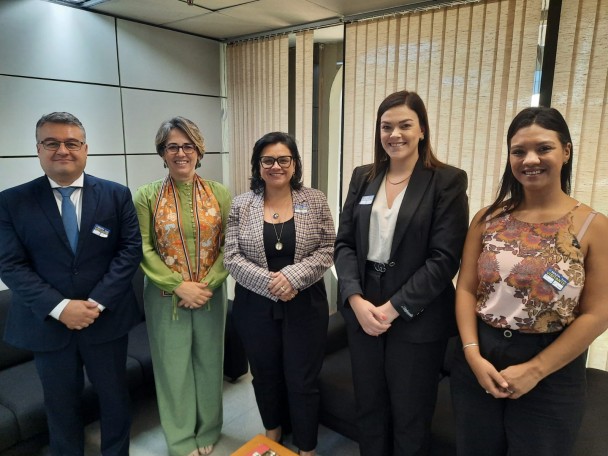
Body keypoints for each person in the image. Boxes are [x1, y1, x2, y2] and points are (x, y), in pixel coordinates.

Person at [450, 106, 608, 456]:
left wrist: (536, 370)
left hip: (552, 367)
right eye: (519, 151)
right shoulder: (488, 218)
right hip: (481, 355)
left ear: (566, 151)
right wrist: (473, 355)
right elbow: (465, 288)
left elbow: (598, 313)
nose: (530, 159)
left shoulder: (593, 226)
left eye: (544, 148)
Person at [334, 90, 469, 456]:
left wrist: (393, 308)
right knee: (370, 406)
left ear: (422, 129)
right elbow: (344, 243)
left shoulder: (446, 181)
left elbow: (445, 258)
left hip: (417, 316)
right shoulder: (364, 176)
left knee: (411, 414)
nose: (395, 134)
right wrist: (355, 299)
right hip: (364, 309)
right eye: (386, 126)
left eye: (405, 125)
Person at [0, 112, 143, 455]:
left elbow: (129, 251)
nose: (62, 149)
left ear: (85, 148)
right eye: (52, 142)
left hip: (105, 320)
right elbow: (10, 264)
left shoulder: (116, 195)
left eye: (71, 142)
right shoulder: (11, 201)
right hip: (47, 324)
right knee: (60, 406)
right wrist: (61, 308)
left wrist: (96, 303)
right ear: (38, 149)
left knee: (114, 399)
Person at [224, 131, 335, 456]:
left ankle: (306, 444)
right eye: (268, 160)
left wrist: (291, 278)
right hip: (254, 306)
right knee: (265, 374)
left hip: (305, 304)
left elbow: (328, 248)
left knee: (303, 379)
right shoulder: (241, 204)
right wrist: (272, 284)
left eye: (283, 159)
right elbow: (231, 256)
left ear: (295, 163)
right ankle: (272, 429)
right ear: (258, 166)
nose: (276, 166)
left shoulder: (314, 199)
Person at [133, 117, 231, 456]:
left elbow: (228, 246)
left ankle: (208, 429)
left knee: (209, 362)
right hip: (164, 297)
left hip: (210, 294)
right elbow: (143, 248)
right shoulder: (146, 196)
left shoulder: (220, 193)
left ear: (199, 151)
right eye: (172, 146)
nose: (181, 153)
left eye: (188, 145)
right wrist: (179, 286)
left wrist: (207, 284)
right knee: (172, 367)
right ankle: (180, 439)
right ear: (162, 153)